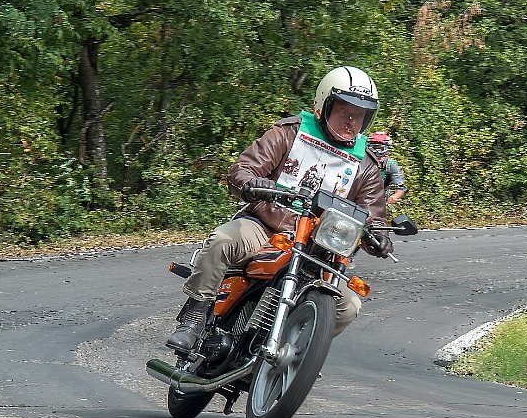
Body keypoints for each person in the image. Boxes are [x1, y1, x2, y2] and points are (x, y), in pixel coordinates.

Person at [166, 66, 394, 351]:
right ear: (324, 105)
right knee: (222, 240)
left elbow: (372, 214)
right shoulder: (290, 133)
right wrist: (250, 183)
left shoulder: (367, 164)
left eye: (359, 115)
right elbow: (244, 168)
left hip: (319, 250)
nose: (351, 121)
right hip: (266, 225)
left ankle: (294, 353)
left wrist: (379, 237)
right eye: (344, 111)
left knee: (348, 306)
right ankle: (194, 318)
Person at [367, 132, 407, 205]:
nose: (377, 151)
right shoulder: (361, 159)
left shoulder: (390, 165)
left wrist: (394, 196)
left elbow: (400, 187)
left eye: (380, 148)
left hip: (375, 200)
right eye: (374, 148)